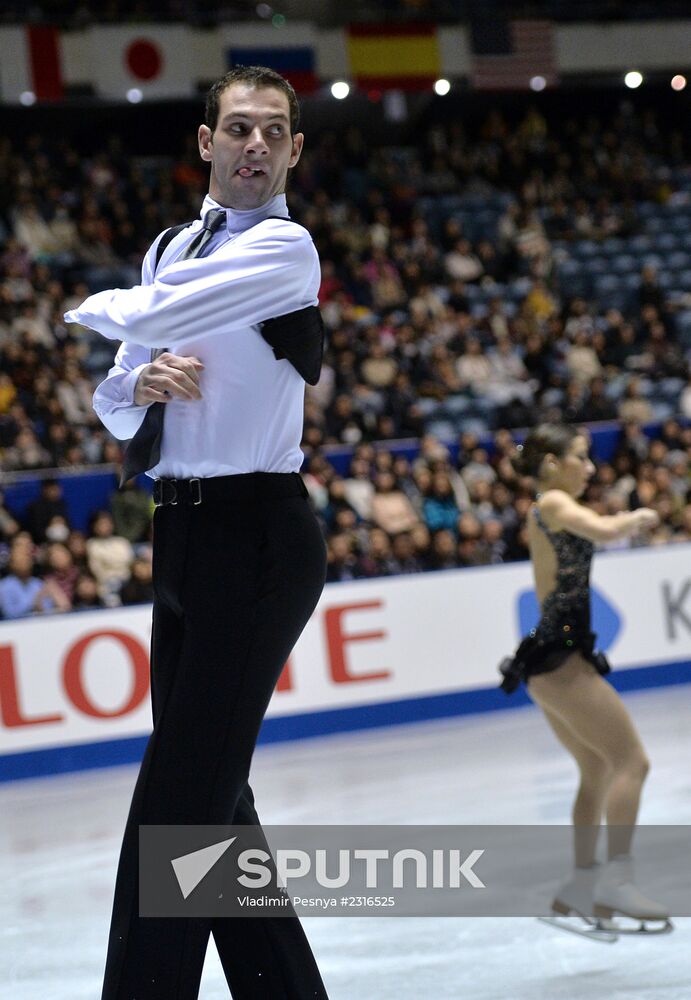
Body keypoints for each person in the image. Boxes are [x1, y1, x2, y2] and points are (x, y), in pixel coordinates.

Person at [64, 66, 329, 999]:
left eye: (273, 131)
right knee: (217, 802)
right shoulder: (172, 243)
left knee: (177, 804)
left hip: (258, 539)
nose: (254, 143)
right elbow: (114, 393)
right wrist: (133, 385)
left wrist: (80, 312)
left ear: (294, 150)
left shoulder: (286, 250)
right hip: (178, 537)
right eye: (237, 127)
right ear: (206, 143)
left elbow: (161, 314)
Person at [499, 424, 670, 932]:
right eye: (581, 457)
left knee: (597, 770)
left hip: (552, 664)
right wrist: (635, 517)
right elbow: (601, 529)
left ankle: (579, 885)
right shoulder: (551, 503)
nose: (591, 468)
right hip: (561, 662)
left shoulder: (551, 506)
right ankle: (617, 881)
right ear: (551, 463)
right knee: (632, 762)